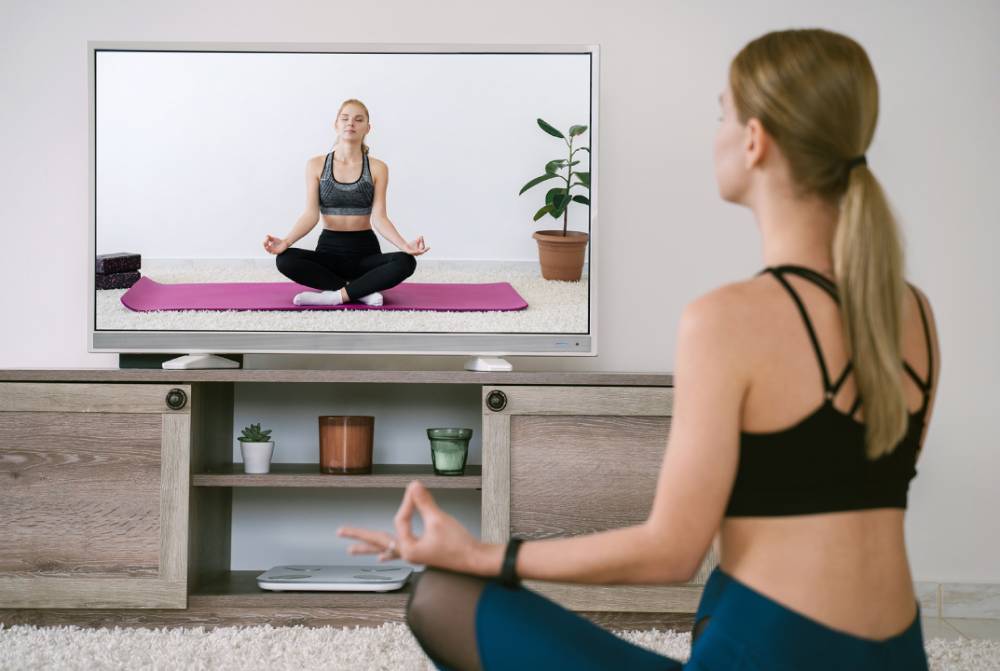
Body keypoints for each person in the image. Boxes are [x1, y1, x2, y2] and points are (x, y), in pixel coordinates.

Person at [337, 28, 940, 670]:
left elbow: (670, 552)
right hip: (897, 656)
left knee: (441, 595)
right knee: (731, 578)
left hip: (768, 656)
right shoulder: (912, 312)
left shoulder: (727, 321)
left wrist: (484, 554)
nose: (716, 133)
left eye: (721, 116)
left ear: (756, 140)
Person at [263, 98, 430, 306]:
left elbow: (379, 217)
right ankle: (360, 291)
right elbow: (310, 215)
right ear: (336, 125)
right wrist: (286, 242)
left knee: (406, 262)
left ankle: (336, 296)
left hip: (365, 254)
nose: (351, 123)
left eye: (358, 120)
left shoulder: (378, 168)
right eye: (345, 118)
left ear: (367, 128)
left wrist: (404, 245)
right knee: (285, 260)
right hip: (329, 253)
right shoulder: (316, 165)